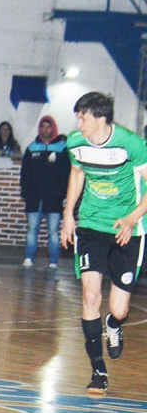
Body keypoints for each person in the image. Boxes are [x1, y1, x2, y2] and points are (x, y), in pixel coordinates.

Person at [60, 92, 147, 395]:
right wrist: (68, 214)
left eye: (82, 117)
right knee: (90, 296)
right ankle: (98, 371)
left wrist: (132, 218)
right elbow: (76, 174)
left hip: (128, 228)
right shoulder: (75, 142)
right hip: (91, 225)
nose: (78, 124)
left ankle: (114, 324)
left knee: (118, 309)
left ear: (100, 118)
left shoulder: (131, 144)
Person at [20, 116, 69, 268]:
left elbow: (66, 173)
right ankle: (28, 258)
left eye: (48, 127)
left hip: (54, 199)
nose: (45, 130)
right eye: (43, 127)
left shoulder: (62, 148)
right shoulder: (32, 148)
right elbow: (24, 173)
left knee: (53, 231)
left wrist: (62, 193)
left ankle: (53, 261)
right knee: (32, 229)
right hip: (34, 198)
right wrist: (26, 192)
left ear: (53, 128)